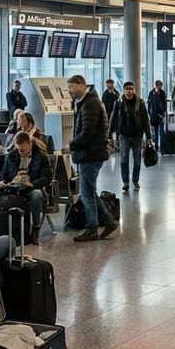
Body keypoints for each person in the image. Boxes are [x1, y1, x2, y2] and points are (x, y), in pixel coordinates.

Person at [66, 74, 117, 242]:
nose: (69, 92)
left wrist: (71, 145)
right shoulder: (87, 103)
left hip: (91, 154)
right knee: (90, 191)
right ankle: (108, 221)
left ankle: (92, 229)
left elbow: (87, 133)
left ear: (81, 84)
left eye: (71, 88)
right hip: (91, 153)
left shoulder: (90, 104)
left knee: (87, 194)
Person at [0, 132, 52, 246]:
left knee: (37, 195)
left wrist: (32, 184)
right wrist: (1, 182)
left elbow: (47, 177)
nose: (20, 152)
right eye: (19, 149)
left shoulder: (41, 156)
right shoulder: (11, 155)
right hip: (12, 186)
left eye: (23, 150)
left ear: (29, 144)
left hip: (30, 187)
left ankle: (35, 229)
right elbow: (3, 173)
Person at [110, 82, 150, 193]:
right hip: (124, 135)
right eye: (127, 89)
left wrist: (149, 137)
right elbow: (113, 119)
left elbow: (145, 120)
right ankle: (126, 182)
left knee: (137, 161)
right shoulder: (119, 103)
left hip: (137, 136)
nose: (129, 91)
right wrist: (110, 135)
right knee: (124, 159)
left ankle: (135, 180)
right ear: (123, 90)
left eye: (131, 89)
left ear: (134, 90)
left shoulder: (140, 103)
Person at [146, 80, 168, 152]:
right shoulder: (152, 93)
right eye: (159, 85)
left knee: (161, 132)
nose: (159, 87)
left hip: (159, 115)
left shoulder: (161, 93)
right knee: (156, 131)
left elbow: (164, 103)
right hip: (155, 115)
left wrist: (164, 112)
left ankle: (161, 148)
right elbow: (149, 103)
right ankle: (156, 146)